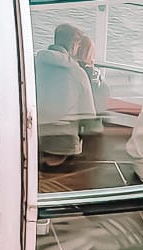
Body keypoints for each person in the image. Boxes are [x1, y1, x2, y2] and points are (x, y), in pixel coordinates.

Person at [34, 22, 104, 163]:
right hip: (64, 147)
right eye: (78, 45)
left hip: (35, 140)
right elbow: (89, 119)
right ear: (73, 45)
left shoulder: (34, 64)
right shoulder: (77, 73)